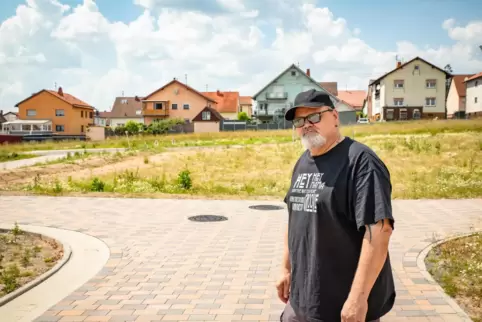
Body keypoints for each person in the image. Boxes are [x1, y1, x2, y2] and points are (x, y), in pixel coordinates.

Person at [276, 89, 396, 322]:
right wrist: (286, 268)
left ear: (335, 117)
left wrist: (358, 299)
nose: (306, 125)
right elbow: (294, 218)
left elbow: (380, 231)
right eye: (299, 121)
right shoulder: (303, 161)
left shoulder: (360, 162)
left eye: (314, 117)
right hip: (301, 300)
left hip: (342, 306)